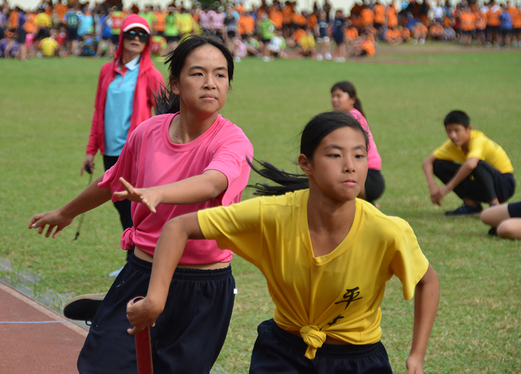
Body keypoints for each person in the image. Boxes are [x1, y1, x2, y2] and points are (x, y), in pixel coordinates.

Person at [127, 111, 440, 374]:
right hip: (282, 354)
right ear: (306, 164)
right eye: (335, 155)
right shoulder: (273, 216)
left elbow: (427, 280)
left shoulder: (387, 231)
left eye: (359, 155)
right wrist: (155, 299)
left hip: (358, 360)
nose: (350, 165)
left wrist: (416, 355)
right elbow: (178, 227)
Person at [29, 33, 253, 374]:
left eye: (220, 74)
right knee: (101, 367)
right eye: (198, 73)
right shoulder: (148, 132)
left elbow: (213, 182)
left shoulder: (234, 141)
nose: (211, 83)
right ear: (175, 84)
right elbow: (113, 182)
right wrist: (65, 213)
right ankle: (112, 312)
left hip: (203, 288)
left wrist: (160, 192)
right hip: (141, 273)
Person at [82, 14, 165, 231]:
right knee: (119, 202)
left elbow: (165, 117)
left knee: (131, 206)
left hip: (136, 152)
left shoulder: (151, 74)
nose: (136, 39)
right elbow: (98, 112)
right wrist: (91, 150)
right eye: (131, 33)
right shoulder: (106, 71)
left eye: (142, 35)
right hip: (109, 151)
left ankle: (135, 257)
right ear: (122, 37)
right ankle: (134, 255)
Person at [422, 110, 515, 216]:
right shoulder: (452, 145)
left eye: (457, 130)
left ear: (468, 129)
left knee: (477, 164)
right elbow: (427, 162)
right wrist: (432, 186)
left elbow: (471, 164)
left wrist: (448, 188)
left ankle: (495, 206)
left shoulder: (478, 140)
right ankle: (471, 206)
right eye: (449, 131)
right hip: (480, 184)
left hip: (504, 185)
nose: (453, 135)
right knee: (438, 165)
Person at [330, 81, 384, 205]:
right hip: (371, 177)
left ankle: (365, 204)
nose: (334, 100)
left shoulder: (352, 118)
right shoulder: (353, 116)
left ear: (352, 100)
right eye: (333, 96)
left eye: (339, 96)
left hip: (370, 177)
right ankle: (368, 205)